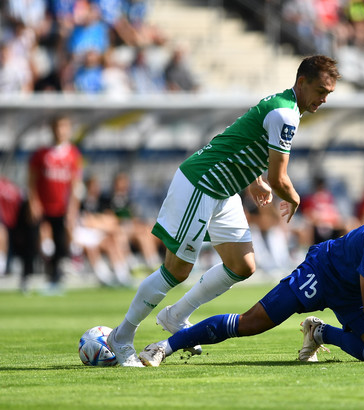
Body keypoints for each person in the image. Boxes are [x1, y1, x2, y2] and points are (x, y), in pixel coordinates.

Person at [108, 55, 340, 366]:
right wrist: (294, 197)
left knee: (242, 265)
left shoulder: (285, 107)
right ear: (302, 82)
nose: (324, 99)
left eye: (329, 93)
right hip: (202, 183)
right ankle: (121, 336)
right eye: (321, 91)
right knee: (176, 270)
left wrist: (253, 180)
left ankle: (176, 316)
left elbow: (242, 140)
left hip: (225, 189)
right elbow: (279, 177)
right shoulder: (285, 113)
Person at [137, 221, 364, 367]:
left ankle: (320, 332)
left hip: (355, 292)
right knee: (252, 323)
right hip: (323, 272)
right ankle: (164, 346)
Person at [27, 115, 83, 294]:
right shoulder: (41, 154)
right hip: (43, 206)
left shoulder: (73, 154)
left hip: (62, 208)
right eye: (58, 126)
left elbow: (76, 184)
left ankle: (55, 279)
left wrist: (72, 209)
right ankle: (28, 276)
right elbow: (32, 180)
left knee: (60, 243)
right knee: (35, 239)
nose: (61, 130)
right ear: (52, 129)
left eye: (64, 126)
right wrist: (33, 202)